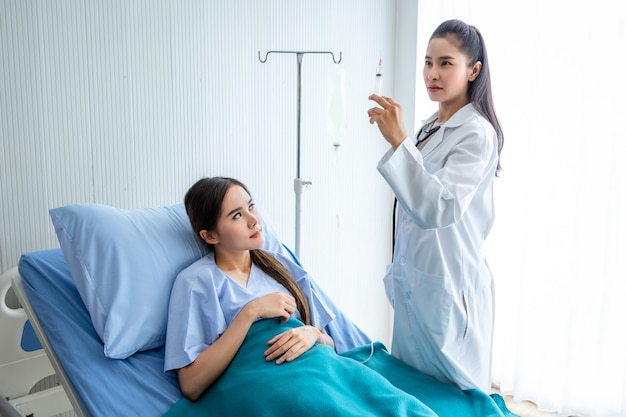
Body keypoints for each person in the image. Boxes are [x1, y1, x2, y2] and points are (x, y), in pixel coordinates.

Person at [366, 19, 504, 392]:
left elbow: (439, 208)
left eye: (446, 63)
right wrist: (406, 142)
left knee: (452, 396)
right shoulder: (432, 125)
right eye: (428, 62)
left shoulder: (476, 133)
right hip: (420, 279)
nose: (433, 73)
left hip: (449, 285)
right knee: (413, 391)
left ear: (473, 70)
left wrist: (399, 143)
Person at [164, 177, 336, 401]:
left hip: (319, 374)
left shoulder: (282, 266)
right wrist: (251, 312)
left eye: (251, 206)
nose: (254, 220)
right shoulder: (196, 282)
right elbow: (191, 385)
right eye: (237, 215)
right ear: (210, 235)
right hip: (268, 389)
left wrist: (311, 334)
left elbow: (330, 344)